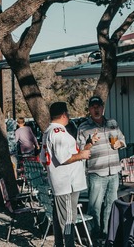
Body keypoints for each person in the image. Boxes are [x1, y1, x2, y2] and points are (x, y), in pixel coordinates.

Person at [41, 101, 92, 247]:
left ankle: (59, 244)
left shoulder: (48, 131)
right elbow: (63, 158)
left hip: (60, 182)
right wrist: (81, 156)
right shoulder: (59, 133)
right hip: (67, 184)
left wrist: (88, 145)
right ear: (64, 114)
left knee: (59, 218)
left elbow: (43, 159)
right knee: (69, 219)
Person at [76, 96, 126, 241]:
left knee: (111, 205)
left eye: (98, 106)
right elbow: (80, 151)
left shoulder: (112, 123)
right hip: (96, 173)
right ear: (89, 109)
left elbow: (122, 139)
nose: (96, 109)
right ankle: (95, 237)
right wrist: (90, 143)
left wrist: (120, 144)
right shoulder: (83, 127)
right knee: (95, 207)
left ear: (103, 108)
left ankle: (108, 236)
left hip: (114, 171)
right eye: (93, 107)